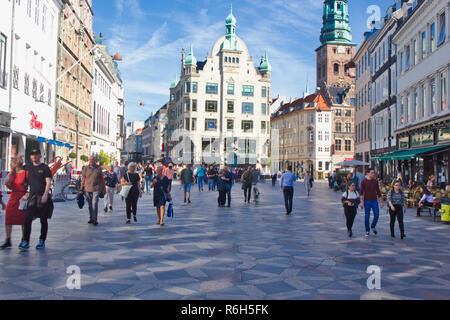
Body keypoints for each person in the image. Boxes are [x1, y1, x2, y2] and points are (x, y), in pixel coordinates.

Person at [19, 149, 53, 251]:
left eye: (36, 155)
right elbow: (18, 167)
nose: (34, 156)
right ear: (30, 157)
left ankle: (42, 240)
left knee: (43, 219)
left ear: (40, 156)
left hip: (42, 196)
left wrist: (45, 194)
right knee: (27, 219)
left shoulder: (44, 168)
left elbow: (48, 182)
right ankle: (25, 241)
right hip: (32, 197)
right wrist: (19, 158)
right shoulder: (28, 167)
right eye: (32, 155)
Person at [1, 154, 28, 249]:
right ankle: (8, 240)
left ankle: (24, 239)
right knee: (8, 219)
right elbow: (7, 184)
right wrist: (11, 172)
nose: (11, 164)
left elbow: (31, 186)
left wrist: (27, 195)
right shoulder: (12, 174)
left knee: (23, 220)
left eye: (13, 163)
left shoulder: (25, 173)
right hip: (13, 197)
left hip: (22, 198)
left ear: (18, 163)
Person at [80, 156, 106, 226]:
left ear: (95, 160)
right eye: (90, 160)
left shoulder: (98, 168)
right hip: (87, 189)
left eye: (92, 160)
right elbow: (83, 178)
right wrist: (81, 188)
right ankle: (91, 218)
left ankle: (95, 219)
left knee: (94, 203)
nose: (91, 161)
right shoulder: (86, 168)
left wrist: (104, 188)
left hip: (96, 188)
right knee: (90, 204)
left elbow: (102, 178)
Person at [360, 169, 383, 237]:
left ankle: (373, 226)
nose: (373, 174)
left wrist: (381, 202)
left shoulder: (375, 182)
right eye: (372, 173)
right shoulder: (363, 182)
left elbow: (378, 192)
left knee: (377, 214)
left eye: (373, 173)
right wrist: (361, 202)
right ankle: (367, 230)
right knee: (367, 216)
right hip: (367, 201)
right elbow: (361, 193)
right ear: (368, 173)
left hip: (374, 201)